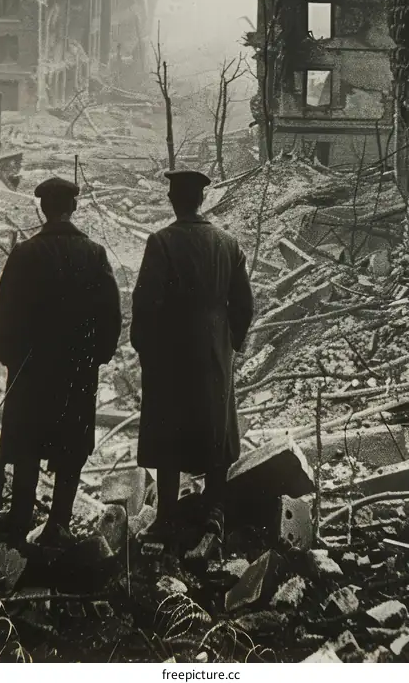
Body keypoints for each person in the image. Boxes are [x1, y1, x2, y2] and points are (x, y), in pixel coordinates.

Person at [0, 175, 121, 546]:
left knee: (28, 443)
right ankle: (58, 524)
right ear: (73, 207)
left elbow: (6, 313)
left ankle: (18, 519)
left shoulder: (24, 253)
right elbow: (110, 314)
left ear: (43, 209)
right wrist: (99, 355)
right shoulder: (94, 254)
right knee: (71, 446)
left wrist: (10, 358)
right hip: (76, 370)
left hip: (31, 370)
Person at [130, 169, 253, 543]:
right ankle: (214, 510)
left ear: (173, 200)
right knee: (214, 423)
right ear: (202, 200)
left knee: (169, 424)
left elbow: (145, 303)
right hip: (215, 347)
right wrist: (231, 342)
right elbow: (245, 305)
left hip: (171, 350)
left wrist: (144, 346)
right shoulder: (228, 243)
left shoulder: (161, 242)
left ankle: (166, 514)